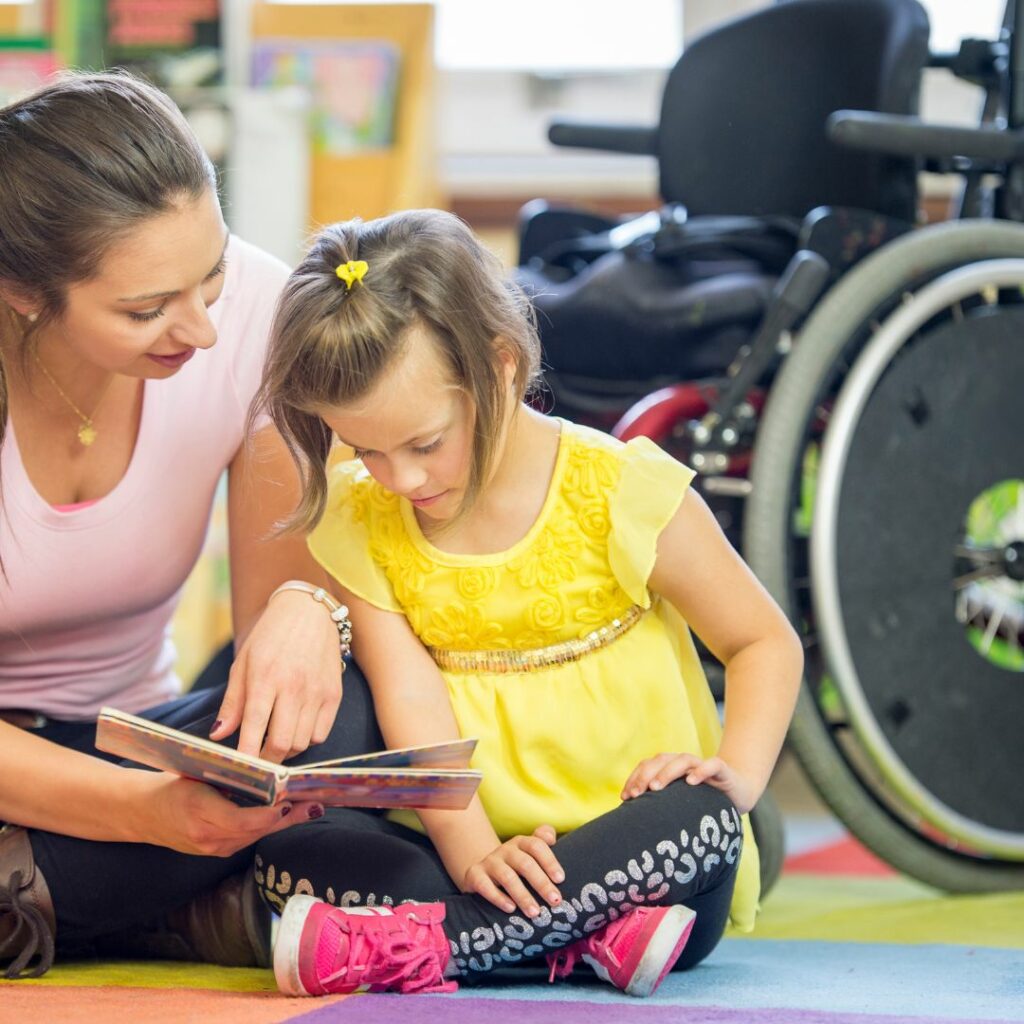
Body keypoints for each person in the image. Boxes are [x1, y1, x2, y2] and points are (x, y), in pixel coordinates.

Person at [251, 209, 804, 997]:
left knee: (705, 821)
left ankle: (423, 946)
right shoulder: (364, 515)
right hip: (462, 854)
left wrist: (738, 778)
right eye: (366, 450)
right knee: (287, 852)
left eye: (424, 443)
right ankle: (572, 942)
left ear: (501, 365)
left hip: (634, 854)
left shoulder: (622, 492)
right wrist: (475, 852)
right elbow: (409, 696)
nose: (401, 479)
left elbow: (763, 644)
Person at [0, 71, 384, 980]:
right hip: (73, 785)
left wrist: (306, 612)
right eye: (146, 310)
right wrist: (147, 819)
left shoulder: (255, 309)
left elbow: (276, 624)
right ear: (22, 290)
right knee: (354, 853)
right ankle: (197, 902)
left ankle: (77, 902)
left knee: (347, 701)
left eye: (210, 275)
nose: (203, 329)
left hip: (133, 736)